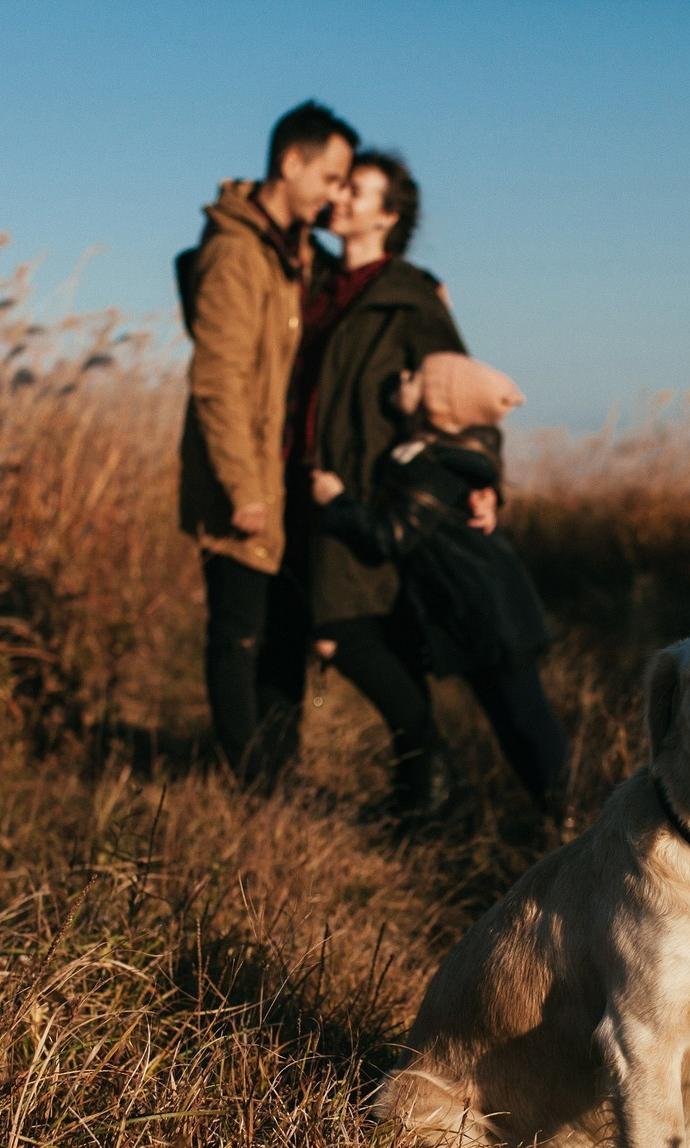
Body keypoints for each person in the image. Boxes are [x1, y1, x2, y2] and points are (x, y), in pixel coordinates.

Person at [176, 101, 356, 784]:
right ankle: (250, 783)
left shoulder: (293, 250)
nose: (333, 195)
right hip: (244, 478)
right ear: (291, 162)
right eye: (329, 177)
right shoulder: (235, 251)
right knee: (239, 634)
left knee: (285, 633)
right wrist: (241, 486)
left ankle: (280, 773)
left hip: (284, 478)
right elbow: (216, 378)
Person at [286, 150, 471, 816]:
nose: (340, 198)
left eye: (357, 191)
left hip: (368, 489)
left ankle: (437, 771)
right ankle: (419, 790)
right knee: (369, 632)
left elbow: (460, 391)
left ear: (389, 216)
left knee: (344, 631)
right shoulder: (319, 281)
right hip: (307, 482)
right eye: (339, 185)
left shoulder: (408, 294)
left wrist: (482, 478)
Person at [311, 352, 569, 818]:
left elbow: (392, 536)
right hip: (474, 612)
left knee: (525, 722)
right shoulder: (425, 454)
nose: (401, 375)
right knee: (510, 721)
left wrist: (337, 501)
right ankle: (553, 811)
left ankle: (569, 813)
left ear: (437, 403)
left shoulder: (437, 465)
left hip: (490, 615)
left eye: (415, 376)